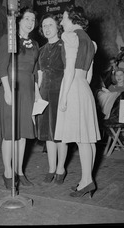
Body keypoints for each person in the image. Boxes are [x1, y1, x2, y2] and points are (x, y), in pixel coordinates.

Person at [54, 5, 101, 198]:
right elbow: (88, 74)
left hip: (73, 86)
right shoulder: (91, 42)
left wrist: (64, 96)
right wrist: (83, 90)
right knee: (87, 139)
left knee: (82, 140)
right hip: (84, 88)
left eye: (63, 18)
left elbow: (69, 69)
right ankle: (85, 180)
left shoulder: (69, 36)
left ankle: (87, 182)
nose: (61, 22)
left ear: (72, 19)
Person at [0, 7, 39, 189]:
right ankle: (8, 172)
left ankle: (19, 171)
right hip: (11, 88)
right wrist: (8, 90)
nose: (30, 23)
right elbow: (2, 67)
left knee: (23, 135)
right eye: (27, 18)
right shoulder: (8, 39)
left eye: (33, 20)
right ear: (19, 21)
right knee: (10, 135)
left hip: (28, 91)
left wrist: (37, 96)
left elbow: (34, 73)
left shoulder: (35, 44)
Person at [36, 13, 68, 184]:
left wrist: (66, 96)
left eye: (50, 25)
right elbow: (39, 76)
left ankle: (61, 168)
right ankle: (51, 168)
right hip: (44, 95)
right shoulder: (40, 50)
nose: (47, 28)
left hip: (60, 94)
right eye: (44, 25)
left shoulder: (64, 46)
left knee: (60, 134)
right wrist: (37, 97)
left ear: (58, 27)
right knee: (48, 135)